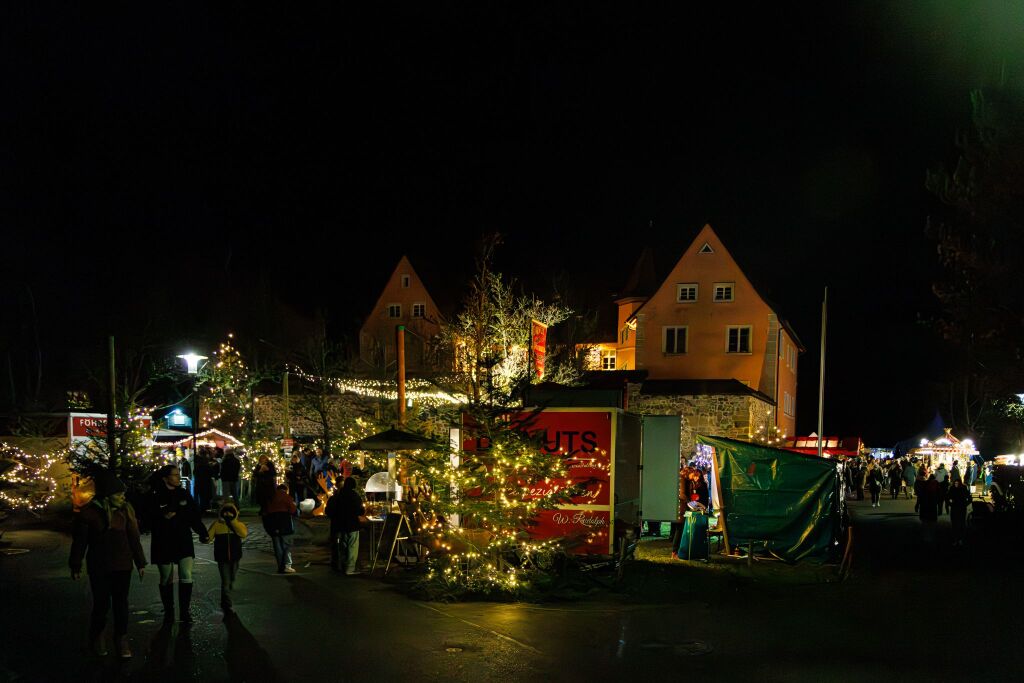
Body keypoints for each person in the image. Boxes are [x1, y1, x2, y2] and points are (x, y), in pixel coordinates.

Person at [70, 469, 147, 659]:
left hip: (122, 565)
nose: (123, 496)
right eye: (119, 494)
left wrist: (140, 562)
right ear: (107, 495)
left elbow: (133, 538)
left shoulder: (125, 511)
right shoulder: (89, 514)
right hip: (100, 566)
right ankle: (98, 637)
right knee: (101, 604)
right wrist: (76, 564)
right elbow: (80, 541)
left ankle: (121, 639)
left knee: (121, 604)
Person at [149, 464, 209, 624]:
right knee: (166, 577)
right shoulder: (156, 495)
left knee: (186, 574)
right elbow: (147, 517)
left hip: (183, 538)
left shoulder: (183, 494)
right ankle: (169, 610)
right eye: (174, 474)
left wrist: (203, 532)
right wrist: (162, 517)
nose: (178, 477)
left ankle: (185, 611)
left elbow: (194, 516)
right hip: (163, 540)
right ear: (165, 478)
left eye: (178, 474)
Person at [207, 500, 248, 611]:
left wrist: (232, 522)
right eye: (226, 512)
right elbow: (209, 537)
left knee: (232, 577)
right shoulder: (217, 524)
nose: (228, 515)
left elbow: (243, 534)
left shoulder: (238, 524)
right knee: (225, 581)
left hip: (235, 557)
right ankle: (226, 602)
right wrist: (205, 538)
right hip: (222, 557)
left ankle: (228, 590)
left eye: (230, 512)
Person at [326, 477, 366, 574]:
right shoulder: (355, 496)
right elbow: (360, 511)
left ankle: (343, 566)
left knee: (343, 546)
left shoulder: (337, 495)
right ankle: (350, 568)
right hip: (352, 525)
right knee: (352, 546)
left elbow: (329, 510)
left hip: (341, 525)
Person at [263, 483, 298, 573]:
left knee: (277, 546)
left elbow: (265, 510)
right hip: (284, 523)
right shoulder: (287, 497)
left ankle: (280, 566)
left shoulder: (271, 497)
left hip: (273, 523)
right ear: (286, 490)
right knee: (286, 545)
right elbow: (293, 510)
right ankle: (287, 565)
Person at [918, 474, 940, 547]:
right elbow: (938, 493)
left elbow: (921, 494)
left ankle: (925, 538)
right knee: (932, 523)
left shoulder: (925, 484)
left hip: (926, 504)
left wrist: (918, 504)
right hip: (933, 503)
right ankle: (931, 538)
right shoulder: (936, 483)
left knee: (925, 523)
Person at [947, 480, 971, 547]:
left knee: (961, 524)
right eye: (955, 483)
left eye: (957, 483)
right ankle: (956, 539)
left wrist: (965, 504)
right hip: (957, 508)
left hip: (960, 508)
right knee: (956, 524)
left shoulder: (961, 489)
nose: (956, 484)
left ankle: (959, 539)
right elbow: (947, 497)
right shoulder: (954, 489)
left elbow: (969, 498)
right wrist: (950, 504)